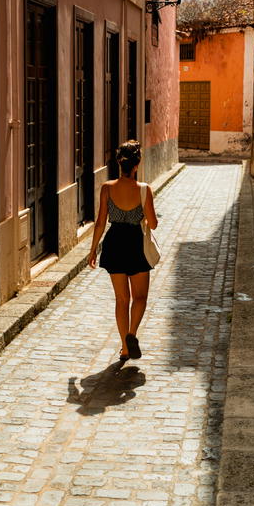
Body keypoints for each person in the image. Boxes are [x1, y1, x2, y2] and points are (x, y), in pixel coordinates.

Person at [88, 140, 158, 361]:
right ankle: (132, 334)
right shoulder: (144, 190)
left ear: (119, 163)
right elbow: (154, 224)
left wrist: (92, 251)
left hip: (114, 243)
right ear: (136, 165)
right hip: (136, 244)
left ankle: (125, 348)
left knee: (121, 299)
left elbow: (100, 222)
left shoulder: (107, 188)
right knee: (140, 297)